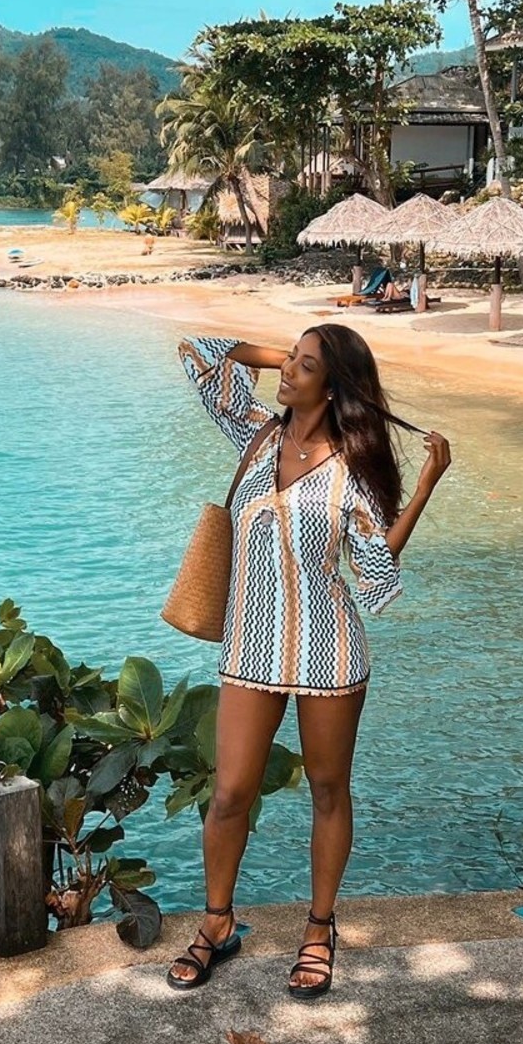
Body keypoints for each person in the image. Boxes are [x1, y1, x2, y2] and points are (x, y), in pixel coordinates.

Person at [167, 328, 451, 999]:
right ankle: (216, 924)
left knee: (328, 791)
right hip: (250, 647)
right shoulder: (255, 436)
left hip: (330, 650)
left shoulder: (353, 468)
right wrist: (290, 357)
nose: (287, 372)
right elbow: (201, 351)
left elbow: (375, 568)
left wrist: (426, 486)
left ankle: (320, 930)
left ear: (334, 386)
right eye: (290, 359)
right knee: (230, 792)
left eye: (305, 365)